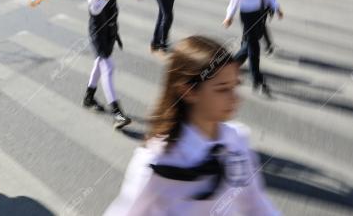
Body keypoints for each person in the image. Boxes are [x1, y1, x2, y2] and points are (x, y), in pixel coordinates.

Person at [105, 36, 280, 215]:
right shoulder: (158, 160)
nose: (235, 97)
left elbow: (256, 204)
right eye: (222, 89)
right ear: (188, 92)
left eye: (235, 86)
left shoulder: (237, 140)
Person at [81, 0, 133, 130]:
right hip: (98, 30)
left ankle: (88, 97)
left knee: (99, 63)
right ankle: (117, 113)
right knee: (108, 67)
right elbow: (95, 8)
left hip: (111, 28)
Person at [223, 0, 282, 98]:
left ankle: (230, 66)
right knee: (254, 47)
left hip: (259, 12)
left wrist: (276, 7)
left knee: (251, 43)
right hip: (247, 13)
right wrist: (229, 15)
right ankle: (257, 81)